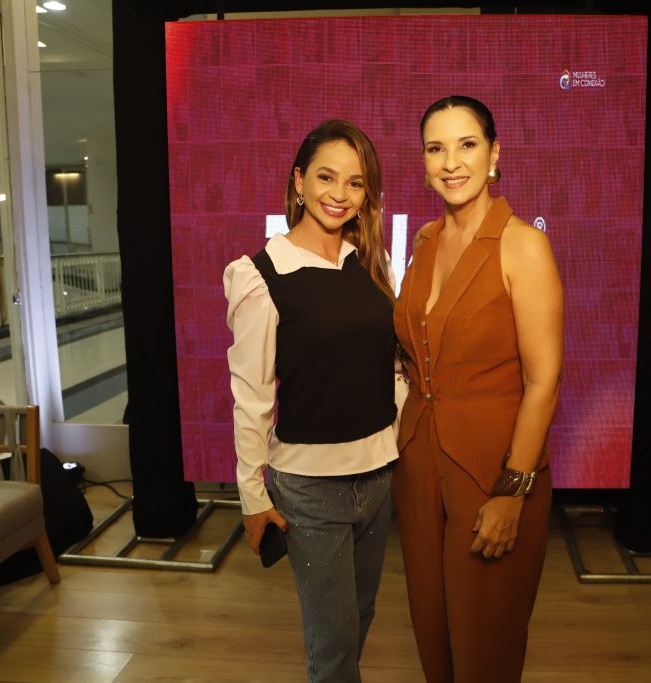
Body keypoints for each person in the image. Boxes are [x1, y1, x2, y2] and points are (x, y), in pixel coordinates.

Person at [393, 96, 564, 682]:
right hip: (418, 466)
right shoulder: (424, 241)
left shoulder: (523, 245)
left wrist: (513, 492)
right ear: (423, 162)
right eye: (435, 148)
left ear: (494, 154)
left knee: (484, 644)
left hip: (492, 471)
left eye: (467, 145)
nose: (451, 162)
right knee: (433, 635)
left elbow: (544, 381)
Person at [224, 119, 399, 683]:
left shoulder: (367, 261)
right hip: (311, 487)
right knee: (334, 645)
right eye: (326, 177)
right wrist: (253, 496)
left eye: (355, 182)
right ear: (298, 181)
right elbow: (251, 398)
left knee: (361, 618)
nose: (339, 194)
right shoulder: (260, 275)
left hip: (379, 476)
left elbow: (390, 366)